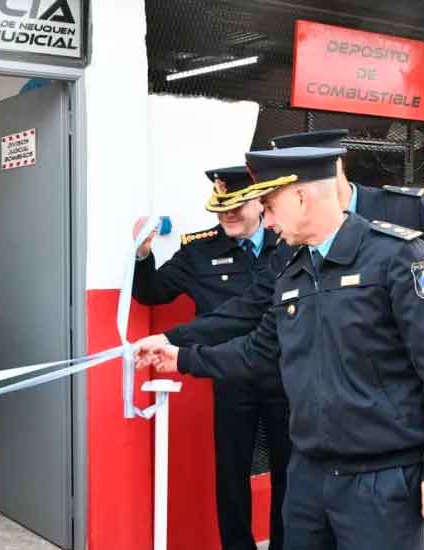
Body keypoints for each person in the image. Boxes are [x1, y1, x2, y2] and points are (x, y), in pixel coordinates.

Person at [136, 130, 424, 550]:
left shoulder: (399, 258)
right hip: (309, 476)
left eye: (270, 207)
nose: (267, 221)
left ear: (302, 198)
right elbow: (260, 352)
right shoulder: (293, 270)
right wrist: (181, 358)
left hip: (383, 481)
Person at [132, 166, 288, 550]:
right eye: (220, 209)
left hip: (284, 376)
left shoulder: (286, 245)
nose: (227, 216)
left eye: (236, 207)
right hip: (230, 376)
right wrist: (142, 253)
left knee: (289, 471)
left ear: (260, 202)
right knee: (232, 473)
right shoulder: (199, 251)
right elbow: (152, 292)